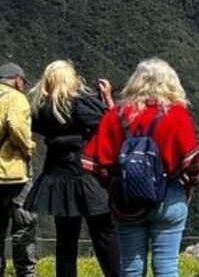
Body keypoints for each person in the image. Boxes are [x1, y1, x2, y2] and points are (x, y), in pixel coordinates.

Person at [82, 58, 199, 277]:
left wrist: (113, 185)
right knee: (166, 268)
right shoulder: (177, 115)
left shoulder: (115, 116)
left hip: (125, 203)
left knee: (130, 267)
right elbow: (193, 162)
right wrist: (190, 185)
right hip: (169, 196)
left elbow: (93, 164)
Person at [27, 61, 120, 277]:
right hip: (86, 176)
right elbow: (108, 123)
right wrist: (105, 98)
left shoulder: (41, 109)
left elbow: (38, 125)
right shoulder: (79, 104)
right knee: (104, 234)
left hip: (57, 178)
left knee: (66, 241)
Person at [0, 63, 37, 277]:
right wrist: (28, 147)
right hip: (13, 173)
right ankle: (25, 271)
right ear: (17, 80)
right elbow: (15, 124)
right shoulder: (16, 97)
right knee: (24, 224)